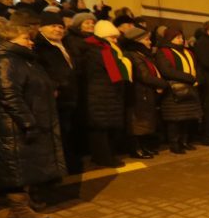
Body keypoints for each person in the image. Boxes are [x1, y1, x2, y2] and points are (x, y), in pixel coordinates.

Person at [0, 23, 66, 218]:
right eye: (25, 38)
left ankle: (24, 203)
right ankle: (18, 209)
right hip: (13, 125)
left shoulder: (22, 60)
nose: (30, 42)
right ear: (8, 40)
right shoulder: (5, 61)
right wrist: (28, 122)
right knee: (17, 167)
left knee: (26, 165)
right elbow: (9, 95)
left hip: (24, 121)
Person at [34, 11, 81, 173]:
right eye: (53, 26)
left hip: (71, 96)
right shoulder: (40, 47)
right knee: (60, 134)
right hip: (56, 98)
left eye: (60, 26)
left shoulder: (65, 45)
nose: (58, 29)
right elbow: (41, 71)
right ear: (41, 28)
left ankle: (71, 164)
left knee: (70, 133)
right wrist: (56, 86)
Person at [83, 19, 131, 168]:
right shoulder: (98, 51)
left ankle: (107, 156)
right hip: (99, 94)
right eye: (112, 37)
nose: (115, 41)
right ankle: (103, 158)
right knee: (101, 129)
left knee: (108, 128)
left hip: (108, 94)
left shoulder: (106, 50)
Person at [121, 27, 168, 159]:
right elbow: (144, 76)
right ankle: (135, 149)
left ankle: (143, 147)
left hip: (145, 93)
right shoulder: (133, 55)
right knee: (136, 123)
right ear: (137, 41)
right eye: (146, 39)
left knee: (144, 123)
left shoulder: (142, 55)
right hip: (138, 94)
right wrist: (163, 83)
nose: (149, 42)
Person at [155, 28, 202, 154]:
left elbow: (196, 67)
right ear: (169, 39)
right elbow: (167, 70)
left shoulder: (188, 52)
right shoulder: (163, 52)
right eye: (177, 38)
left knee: (187, 118)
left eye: (182, 37)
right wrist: (189, 78)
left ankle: (184, 141)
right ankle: (174, 143)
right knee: (175, 119)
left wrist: (196, 78)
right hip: (174, 91)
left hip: (189, 89)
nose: (181, 40)